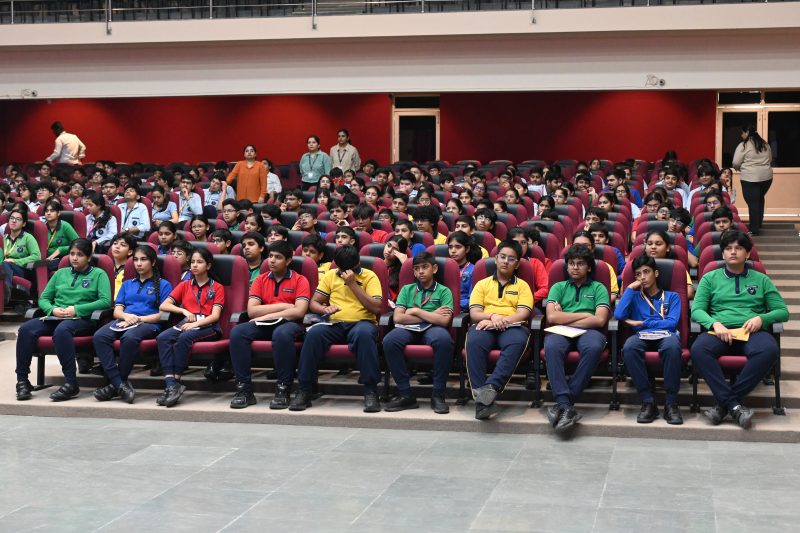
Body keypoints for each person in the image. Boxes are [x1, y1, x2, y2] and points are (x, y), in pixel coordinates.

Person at [691, 230, 788, 428]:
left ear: (748, 253)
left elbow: (783, 312)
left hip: (752, 332)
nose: (733, 252)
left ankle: (724, 406)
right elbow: (697, 310)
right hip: (720, 331)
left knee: (769, 350)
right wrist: (715, 324)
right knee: (698, 349)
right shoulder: (710, 278)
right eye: (728, 248)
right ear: (723, 253)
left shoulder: (761, 279)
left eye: (739, 248)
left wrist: (762, 318)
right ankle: (735, 406)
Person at [288, 245, 383, 412]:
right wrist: (324, 309)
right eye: (343, 270)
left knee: (365, 335)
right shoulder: (331, 275)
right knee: (313, 334)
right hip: (335, 324)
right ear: (337, 265)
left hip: (362, 323)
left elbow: (376, 308)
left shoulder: (369, 276)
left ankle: (371, 391)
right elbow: (314, 302)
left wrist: (352, 284)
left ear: (358, 262)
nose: (347, 272)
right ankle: (304, 390)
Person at [15, 239, 111, 402]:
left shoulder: (99, 274)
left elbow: (105, 301)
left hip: (83, 320)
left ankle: (71, 384)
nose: (74, 258)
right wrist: (52, 309)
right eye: (72, 254)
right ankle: (22, 381)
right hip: (56, 316)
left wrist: (76, 309)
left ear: (89, 257)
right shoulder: (60, 273)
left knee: (62, 330)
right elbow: (44, 298)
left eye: (80, 254)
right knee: (26, 329)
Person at [225, 240, 310, 409]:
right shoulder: (260, 280)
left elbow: (299, 312)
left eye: (278, 257)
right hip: (265, 324)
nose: (272, 260)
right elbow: (252, 311)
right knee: (238, 332)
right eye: (270, 256)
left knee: (281, 333)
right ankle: (244, 390)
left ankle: (283, 389)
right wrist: (284, 306)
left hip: (292, 325)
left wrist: (267, 315)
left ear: (288, 261)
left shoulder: (300, 280)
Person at [92, 245, 173, 404]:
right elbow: (117, 311)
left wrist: (138, 319)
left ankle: (116, 384)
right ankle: (118, 383)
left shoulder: (164, 284)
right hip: (124, 320)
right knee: (99, 336)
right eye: (136, 259)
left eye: (143, 259)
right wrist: (126, 317)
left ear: (153, 262)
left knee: (129, 338)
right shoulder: (127, 284)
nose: (139, 263)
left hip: (149, 323)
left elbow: (163, 315)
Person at [543, 244, 609, 434]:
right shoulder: (558, 287)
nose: (575, 267)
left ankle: (564, 404)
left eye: (580, 264)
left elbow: (600, 320)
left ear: (589, 267)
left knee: (593, 348)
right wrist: (586, 315)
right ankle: (566, 406)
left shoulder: (598, 288)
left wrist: (565, 316)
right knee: (552, 346)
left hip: (590, 331)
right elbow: (552, 317)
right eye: (571, 263)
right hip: (562, 330)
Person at [465, 240, 532, 420]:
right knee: (473, 342)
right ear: (495, 259)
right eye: (502, 257)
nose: (505, 261)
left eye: (511, 259)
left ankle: (492, 387)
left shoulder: (522, 286)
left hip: (512, 326)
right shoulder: (482, 284)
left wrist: (497, 321)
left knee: (517, 342)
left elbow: (523, 314)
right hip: (485, 324)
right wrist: (492, 316)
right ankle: (482, 401)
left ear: (517, 264)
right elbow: (475, 313)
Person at [614, 256, 683, 424]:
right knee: (629, 347)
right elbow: (619, 315)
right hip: (642, 336)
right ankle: (648, 401)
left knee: (673, 346)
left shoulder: (672, 297)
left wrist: (642, 323)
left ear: (656, 273)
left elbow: (672, 323)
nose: (642, 277)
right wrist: (629, 289)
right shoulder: (635, 297)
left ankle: (671, 403)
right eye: (638, 274)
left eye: (646, 272)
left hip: (666, 335)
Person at [383, 252, 454, 414]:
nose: (421, 271)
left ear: (434, 268)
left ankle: (438, 394)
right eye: (417, 268)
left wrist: (415, 311)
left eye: (425, 267)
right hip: (409, 329)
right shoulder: (407, 289)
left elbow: (444, 321)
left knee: (444, 340)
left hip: (434, 329)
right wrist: (432, 315)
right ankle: (406, 394)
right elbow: (398, 318)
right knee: (389, 340)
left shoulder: (444, 291)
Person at [156, 247, 225, 407]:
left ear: (208, 266)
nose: (194, 265)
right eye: (192, 261)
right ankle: (171, 385)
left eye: (199, 262)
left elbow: (215, 316)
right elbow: (163, 305)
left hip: (209, 326)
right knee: (163, 337)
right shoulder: (185, 285)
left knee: (184, 337)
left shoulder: (217, 287)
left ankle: (176, 382)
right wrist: (183, 310)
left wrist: (194, 324)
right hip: (187, 323)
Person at [732, 126, 771, 235]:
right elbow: (770, 159)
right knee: (759, 198)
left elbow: (736, 162)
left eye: (742, 133)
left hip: (750, 177)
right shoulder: (765, 144)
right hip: (766, 177)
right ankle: (758, 223)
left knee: (753, 202)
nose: (742, 135)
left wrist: (740, 168)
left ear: (748, 132)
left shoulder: (744, 145)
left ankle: (754, 229)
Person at [638, 229, 695, 300]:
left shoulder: (677, 267)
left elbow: (689, 292)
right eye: (649, 244)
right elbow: (626, 290)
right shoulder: (637, 266)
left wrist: (661, 299)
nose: (653, 247)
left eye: (658, 244)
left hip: (669, 304)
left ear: (667, 248)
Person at [572, 231, 619, 304]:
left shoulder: (605, 267)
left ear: (593, 248)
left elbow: (612, 294)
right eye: (577, 245)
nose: (581, 248)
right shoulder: (564, 267)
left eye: (585, 245)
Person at [41, 200, 79, 272]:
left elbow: (79, 244)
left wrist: (61, 250)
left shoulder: (65, 226)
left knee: (43, 267)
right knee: (32, 266)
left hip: (62, 258)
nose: (48, 213)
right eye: (46, 211)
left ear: (58, 213)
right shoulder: (42, 226)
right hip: (44, 258)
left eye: (52, 211)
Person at [109, 232, 137, 298]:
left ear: (130, 252)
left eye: (123, 245)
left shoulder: (133, 269)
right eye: (115, 243)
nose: (117, 246)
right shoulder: (105, 266)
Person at [383, 235, 408, 304]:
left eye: (395, 249)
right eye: (388, 245)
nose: (389, 250)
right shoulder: (375, 264)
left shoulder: (402, 270)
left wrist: (406, 264)